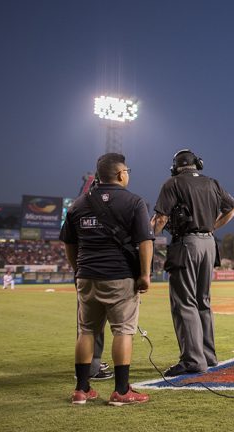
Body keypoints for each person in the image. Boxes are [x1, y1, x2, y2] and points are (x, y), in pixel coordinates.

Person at [60, 153, 153, 405]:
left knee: (87, 330)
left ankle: (82, 390)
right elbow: (145, 241)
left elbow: (69, 243)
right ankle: (121, 391)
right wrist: (144, 274)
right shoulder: (134, 201)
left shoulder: (78, 204)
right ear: (121, 174)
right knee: (123, 331)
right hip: (120, 276)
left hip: (86, 275)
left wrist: (78, 268)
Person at [152, 149, 234, 377]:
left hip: (187, 245)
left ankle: (192, 360)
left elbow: (161, 218)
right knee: (203, 301)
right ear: (197, 164)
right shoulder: (213, 182)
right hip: (209, 244)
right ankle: (208, 356)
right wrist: (212, 228)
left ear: (176, 166)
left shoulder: (173, 183)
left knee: (184, 302)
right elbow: (233, 209)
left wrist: (147, 239)